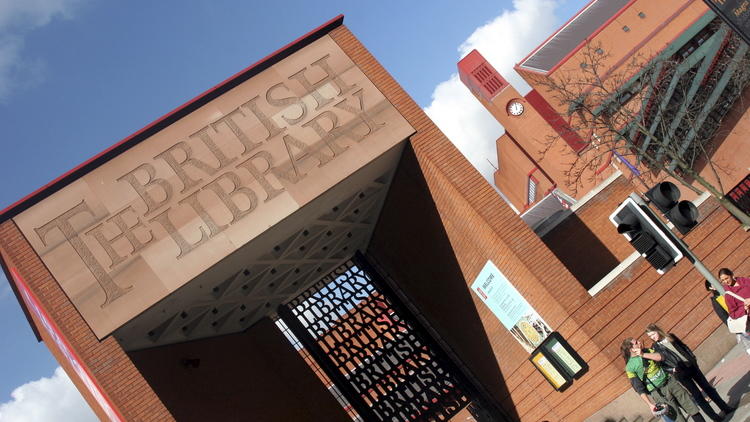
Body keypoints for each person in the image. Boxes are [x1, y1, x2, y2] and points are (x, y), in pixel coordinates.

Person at [646, 324, 734, 421]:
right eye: (650, 336)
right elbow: (661, 365)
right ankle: (715, 417)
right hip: (680, 373)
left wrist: (693, 358)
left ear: (658, 331)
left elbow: (684, 347)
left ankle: (725, 408)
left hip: (691, 366)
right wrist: (672, 370)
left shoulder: (670, 336)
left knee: (708, 388)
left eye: (653, 334)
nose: (652, 337)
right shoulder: (655, 348)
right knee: (698, 396)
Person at [622, 337, 705, 422]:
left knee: (692, 408)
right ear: (631, 349)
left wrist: (643, 354)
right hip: (659, 393)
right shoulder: (629, 367)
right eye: (636, 342)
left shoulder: (647, 351)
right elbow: (638, 388)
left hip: (670, 382)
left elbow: (661, 357)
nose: (639, 342)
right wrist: (650, 405)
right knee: (678, 419)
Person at [718, 268, 750, 354]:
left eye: (726, 278)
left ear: (732, 275)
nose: (725, 281)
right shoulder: (729, 295)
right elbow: (733, 314)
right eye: (723, 280)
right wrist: (744, 308)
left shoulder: (746, 281)